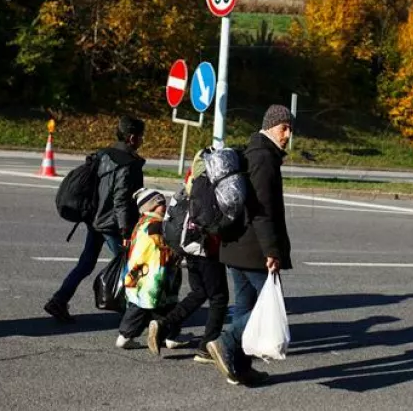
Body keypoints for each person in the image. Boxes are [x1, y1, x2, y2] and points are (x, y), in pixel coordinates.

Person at [206, 104, 294, 387]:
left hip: (236, 246)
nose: (288, 134)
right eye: (284, 128)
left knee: (245, 307)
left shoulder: (250, 151)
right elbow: (262, 209)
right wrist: (272, 251)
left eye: (290, 128)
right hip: (255, 248)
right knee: (266, 308)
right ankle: (225, 342)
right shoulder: (264, 157)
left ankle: (239, 366)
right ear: (270, 126)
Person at [44, 116, 146, 324]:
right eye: (141, 137)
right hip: (112, 225)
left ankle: (59, 300)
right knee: (131, 265)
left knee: (86, 263)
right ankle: (132, 314)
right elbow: (121, 200)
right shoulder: (127, 164)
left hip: (94, 219)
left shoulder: (103, 154)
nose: (142, 141)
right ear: (132, 138)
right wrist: (126, 232)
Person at [145, 171, 230, 362]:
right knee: (219, 298)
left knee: (199, 292)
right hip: (206, 249)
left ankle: (163, 324)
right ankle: (207, 347)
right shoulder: (214, 187)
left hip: (188, 247)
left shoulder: (191, 185)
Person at [116, 188, 185, 350]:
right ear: (149, 207)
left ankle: (126, 335)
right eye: (160, 204)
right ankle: (168, 337)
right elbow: (163, 249)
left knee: (140, 306)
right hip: (154, 275)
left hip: (140, 274)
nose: (164, 206)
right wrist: (177, 255)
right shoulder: (156, 226)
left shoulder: (142, 223)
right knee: (158, 306)